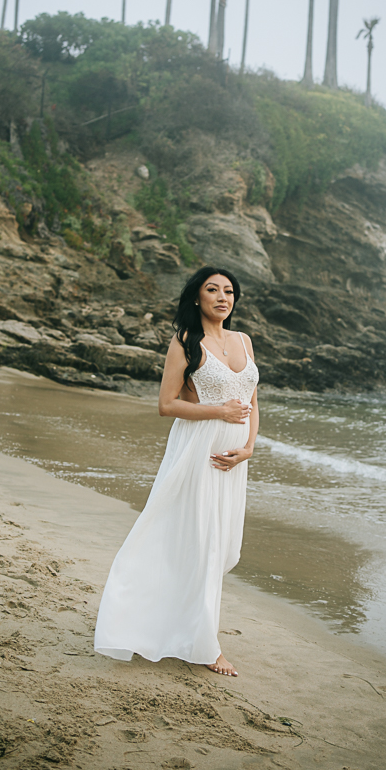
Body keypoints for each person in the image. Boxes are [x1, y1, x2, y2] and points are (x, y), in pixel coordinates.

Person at [94, 266, 259, 677]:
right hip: (197, 454)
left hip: (232, 460)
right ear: (197, 297)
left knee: (222, 547)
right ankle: (205, 645)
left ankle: (184, 625)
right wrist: (218, 411)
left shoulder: (244, 341)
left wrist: (249, 449)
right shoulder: (186, 341)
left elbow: (253, 402)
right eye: (212, 290)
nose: (223, 297)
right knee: (201, 543)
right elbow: (166, 404)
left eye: (229, 291)